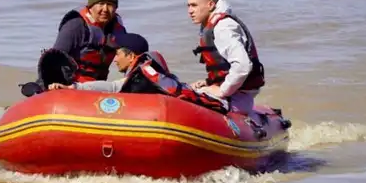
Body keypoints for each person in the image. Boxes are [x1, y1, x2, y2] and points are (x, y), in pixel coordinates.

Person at [47, 33, 230, 114]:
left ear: (131, 56)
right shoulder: (144, 71)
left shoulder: (145, 73)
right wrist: (74, 87)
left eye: (118, 54)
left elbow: (114, 87)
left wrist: (73, 87)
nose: (115, 59)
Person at [186, 0, 265, 116]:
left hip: (238, 97)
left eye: (194, 5)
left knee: (188, 99)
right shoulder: (212, 24)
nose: (190, 11)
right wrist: (209, 83)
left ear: (210, 5)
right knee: (188, 90)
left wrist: (222, 90)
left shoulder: (223, 27)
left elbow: (243, 66)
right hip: (235, 93)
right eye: (188, 6)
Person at [51, 0, 128, 83]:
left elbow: (130, 55)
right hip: (72, 84)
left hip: (99, 85)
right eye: (101, 3)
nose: (105, 9)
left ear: (115, 8)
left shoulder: (117, 27)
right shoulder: (75, 25)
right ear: (91, 6)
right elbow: (54, 58)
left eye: (109, 4)